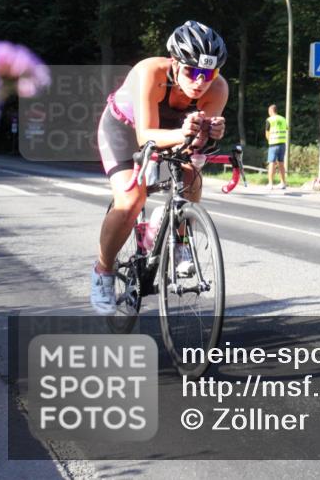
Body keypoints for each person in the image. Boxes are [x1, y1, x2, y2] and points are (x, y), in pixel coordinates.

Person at [91, 20, 228, 315]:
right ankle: (102, 272)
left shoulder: (217, 89)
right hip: (124, 130)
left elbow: (196, 148)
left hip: (170, 133)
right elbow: (145, 135)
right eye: (192, 71)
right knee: (130, 201)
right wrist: (185, 133)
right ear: (175, 63)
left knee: (192, 176)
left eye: (209, 72)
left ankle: (178, 240)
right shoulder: (149, 72)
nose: (200, 81)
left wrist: (208, 135)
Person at [265, 104, 288, 190]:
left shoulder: (269, 120)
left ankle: (270, 184)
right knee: (281, 163)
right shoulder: (283, 119)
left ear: (270, 111)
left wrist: (269, 140)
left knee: (272, 163)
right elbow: (286, 128)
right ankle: (283, 183)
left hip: (273, 144)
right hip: (282, 143)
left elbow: (267, 133)